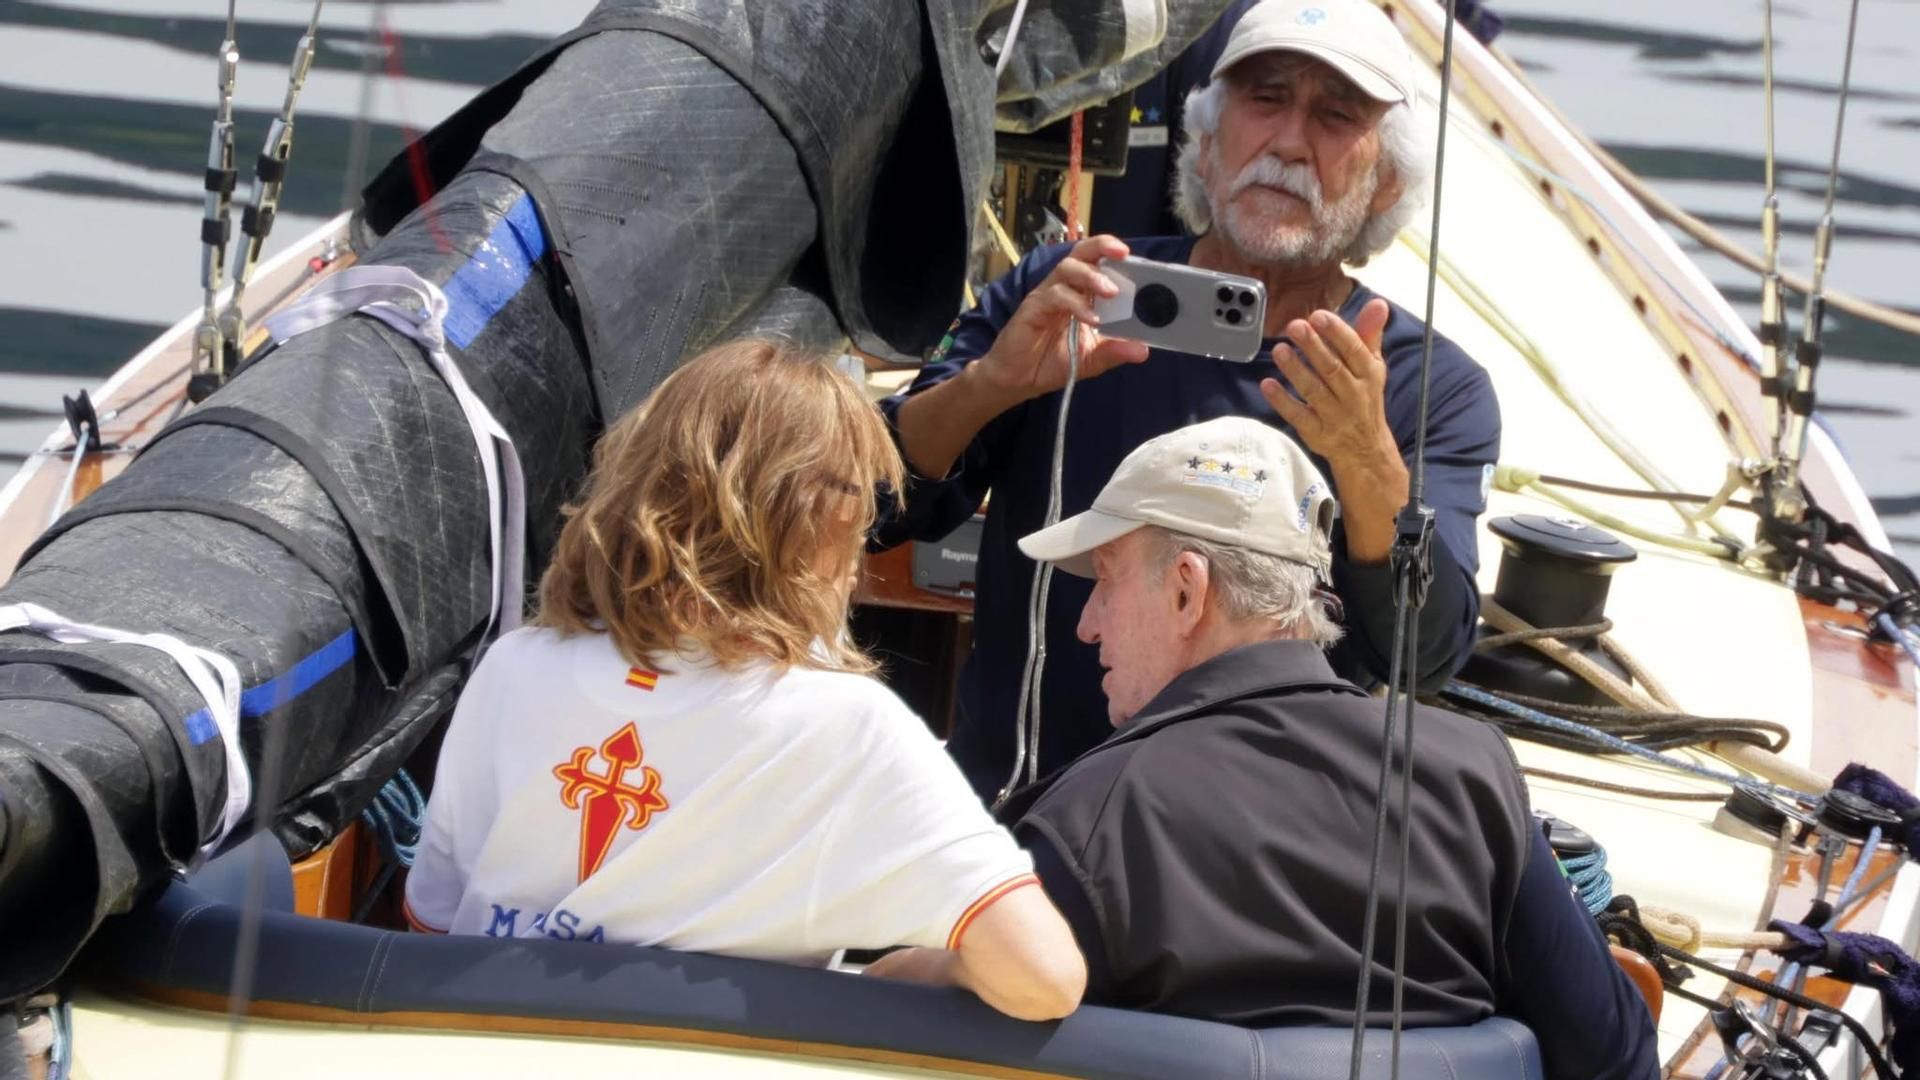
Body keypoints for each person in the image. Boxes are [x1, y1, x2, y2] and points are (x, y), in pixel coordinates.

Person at [879, 0, 1501, 799]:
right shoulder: (1075, 292)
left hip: (1239, 864)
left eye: (1335, 116)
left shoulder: (1428, 386)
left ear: (1386, 185)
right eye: (1264, 98)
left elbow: (1427, 657)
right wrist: (992, 384)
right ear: (1203, 144)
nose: (1286, 142)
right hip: (1009, 831)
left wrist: (1365, 458)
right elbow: (876, 507)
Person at [404, 340, 1085, 1022]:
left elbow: (433, 922)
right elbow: (1044, 977)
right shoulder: (850, 727)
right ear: (813, 520)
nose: (866, 537)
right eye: (859, 498)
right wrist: (907, 970)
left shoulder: (514, 668)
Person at [996, 416, 1658, 1079]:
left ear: (1186, 590)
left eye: (1105, 580)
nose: (1086, 624)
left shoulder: (1090, 820)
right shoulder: (1473, 775)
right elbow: (1617, 1057)